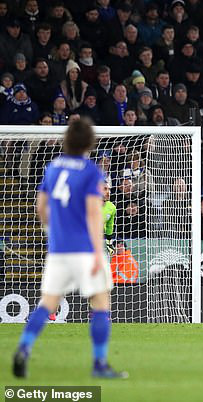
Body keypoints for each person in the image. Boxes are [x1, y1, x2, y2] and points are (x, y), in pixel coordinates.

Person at [13, 119, 126, 379]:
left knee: (48, 303)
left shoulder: (52, 168)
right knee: (100, 302)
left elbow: (40, 207)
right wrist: (99, 252)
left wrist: (55, 230)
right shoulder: (90, 171)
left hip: (59, 249)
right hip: (85, 249)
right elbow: (93, 213)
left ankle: (24, 348)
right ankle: (99, 364)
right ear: (89, 142)